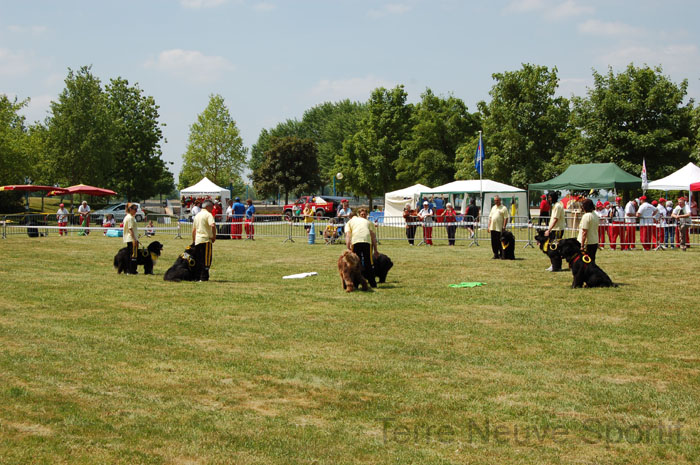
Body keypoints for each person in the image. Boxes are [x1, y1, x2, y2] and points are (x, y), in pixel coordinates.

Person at [345, 207, 379, 288]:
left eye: (365, 214)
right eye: (362, 214)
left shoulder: (350, 222)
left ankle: (356, 284)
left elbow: (348, 235)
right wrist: (376, 250)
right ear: (358, 214)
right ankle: (372, 283)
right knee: (368, 263)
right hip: (367, 242)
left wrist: (348, 247)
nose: (363, 215)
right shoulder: (369, 222)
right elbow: (373, 237)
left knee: (356, 263)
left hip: (356, 241)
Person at [192, 199, 216, 281]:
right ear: (207, 207)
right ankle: (204, 277)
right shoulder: (208, 215)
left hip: (198, 240)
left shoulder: (197, 215)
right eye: (212, 207)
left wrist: (193, 241)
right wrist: (214, 236)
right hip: (206, 240)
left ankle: (197, 276)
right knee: (207, 259)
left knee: (199, 259)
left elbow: (194, 230)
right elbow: (212, 225)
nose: (212, 209)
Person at [544, 191, 565, 271]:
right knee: (552, 248)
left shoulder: (557, 206)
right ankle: (554, 264)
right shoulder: (555, 206)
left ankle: (556, 266)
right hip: (554, 229)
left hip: (557, 229)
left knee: (555, 248)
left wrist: (549, 230)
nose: (549, 199)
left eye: (550, 197)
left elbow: (555, 219)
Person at [487, 195, 509, 259]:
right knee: (493, 242)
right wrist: (489, 226)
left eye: (497, 200)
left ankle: (502, 254)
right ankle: (495, 254)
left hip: (499, 228)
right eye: (495, 200)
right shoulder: (493, 207)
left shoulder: (504, 208)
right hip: (493, 227)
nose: (496, 202)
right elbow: (490, 217)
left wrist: (504, 226)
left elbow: (506, 218)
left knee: (500, 242)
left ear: (500, 200)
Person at [578, 199, 600, 263]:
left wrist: (582, 245)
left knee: (585, 262)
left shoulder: (586, 216)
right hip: (594, 241)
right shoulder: (595, 215)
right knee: (592, 261)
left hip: (587, 243)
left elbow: (584, 232)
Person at [122, 203, 139, 274]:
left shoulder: (128, 217)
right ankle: (131, 270)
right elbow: (130, 229)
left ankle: (129, 270)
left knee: (131, 254)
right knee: (133, 255)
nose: (136, 211)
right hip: (131, 239)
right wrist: (134, 239)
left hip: (130, 238)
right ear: (130, 209)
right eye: (135, 209)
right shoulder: (130, 218)